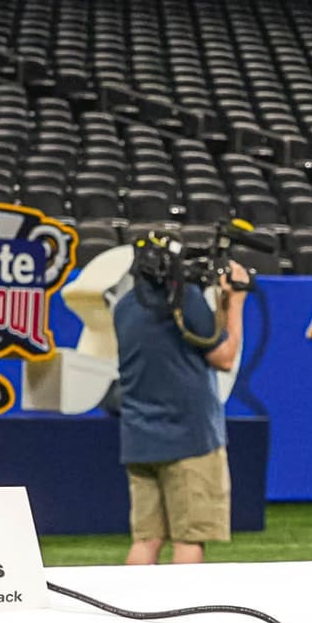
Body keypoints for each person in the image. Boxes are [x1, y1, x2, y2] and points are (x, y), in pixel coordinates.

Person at [113, 233, 248, 565]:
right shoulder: (184, 301)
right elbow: (225, 356)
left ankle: (128, 614)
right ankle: (184, 614)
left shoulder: (124, 307)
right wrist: (237, 300)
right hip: (189, 440)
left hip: (140, 438)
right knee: (189, 539)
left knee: (146, 540)